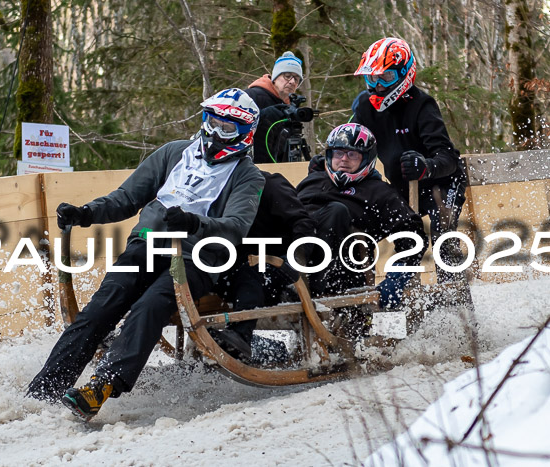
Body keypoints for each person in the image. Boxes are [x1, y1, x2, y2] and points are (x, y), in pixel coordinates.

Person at [27, 88, 265, 421]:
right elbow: (126, 196)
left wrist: (194, 222)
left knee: (152, 304)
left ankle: (103, 384)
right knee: (104, 305)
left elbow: (236, 226)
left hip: (198, 257)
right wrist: (86, 213)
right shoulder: (174, 153)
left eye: (226, 128)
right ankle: (45, 388)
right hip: (148, 242)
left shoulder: (247, 175)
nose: (214, 134)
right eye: (211, 122)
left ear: (244, 133)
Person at [351, 37, 467, 283]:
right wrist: (328, 159)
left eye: (386, 77)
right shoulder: (365, 106)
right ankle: (380, 292)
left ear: (405, 74)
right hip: (402, 184)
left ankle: (455, 297)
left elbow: (448, 157)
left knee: (442, 233)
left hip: (442, 182)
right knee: (371, 226)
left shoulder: (422, 105)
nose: (379, 86)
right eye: (372, 78)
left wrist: (426, 166)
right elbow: (352, 141)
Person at [297, 123, 427, 328]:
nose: (344, 160)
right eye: (338, 153)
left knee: (336, 211)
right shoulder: (313, 181)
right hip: (296, 256)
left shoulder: (379, 192)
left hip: (341, 273)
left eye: (352, 155)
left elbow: (413, 237)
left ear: (366, 159)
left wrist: (399, 274)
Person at [212, 170, 315, 360]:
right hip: (228, 264)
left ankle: (241, 335)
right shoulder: (208, 187)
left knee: (251, 270)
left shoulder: (269, 184)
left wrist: (295, 262)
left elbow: (303, 224)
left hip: (276, 266)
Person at [245, 51, 305, 163]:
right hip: (250, 166)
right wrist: (262, 116)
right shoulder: (253, 96)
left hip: (277, 169)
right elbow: (230, 125)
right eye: (287, 76)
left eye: (296, 79)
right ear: (275, 77)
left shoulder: (290, 108)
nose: (292, 82)